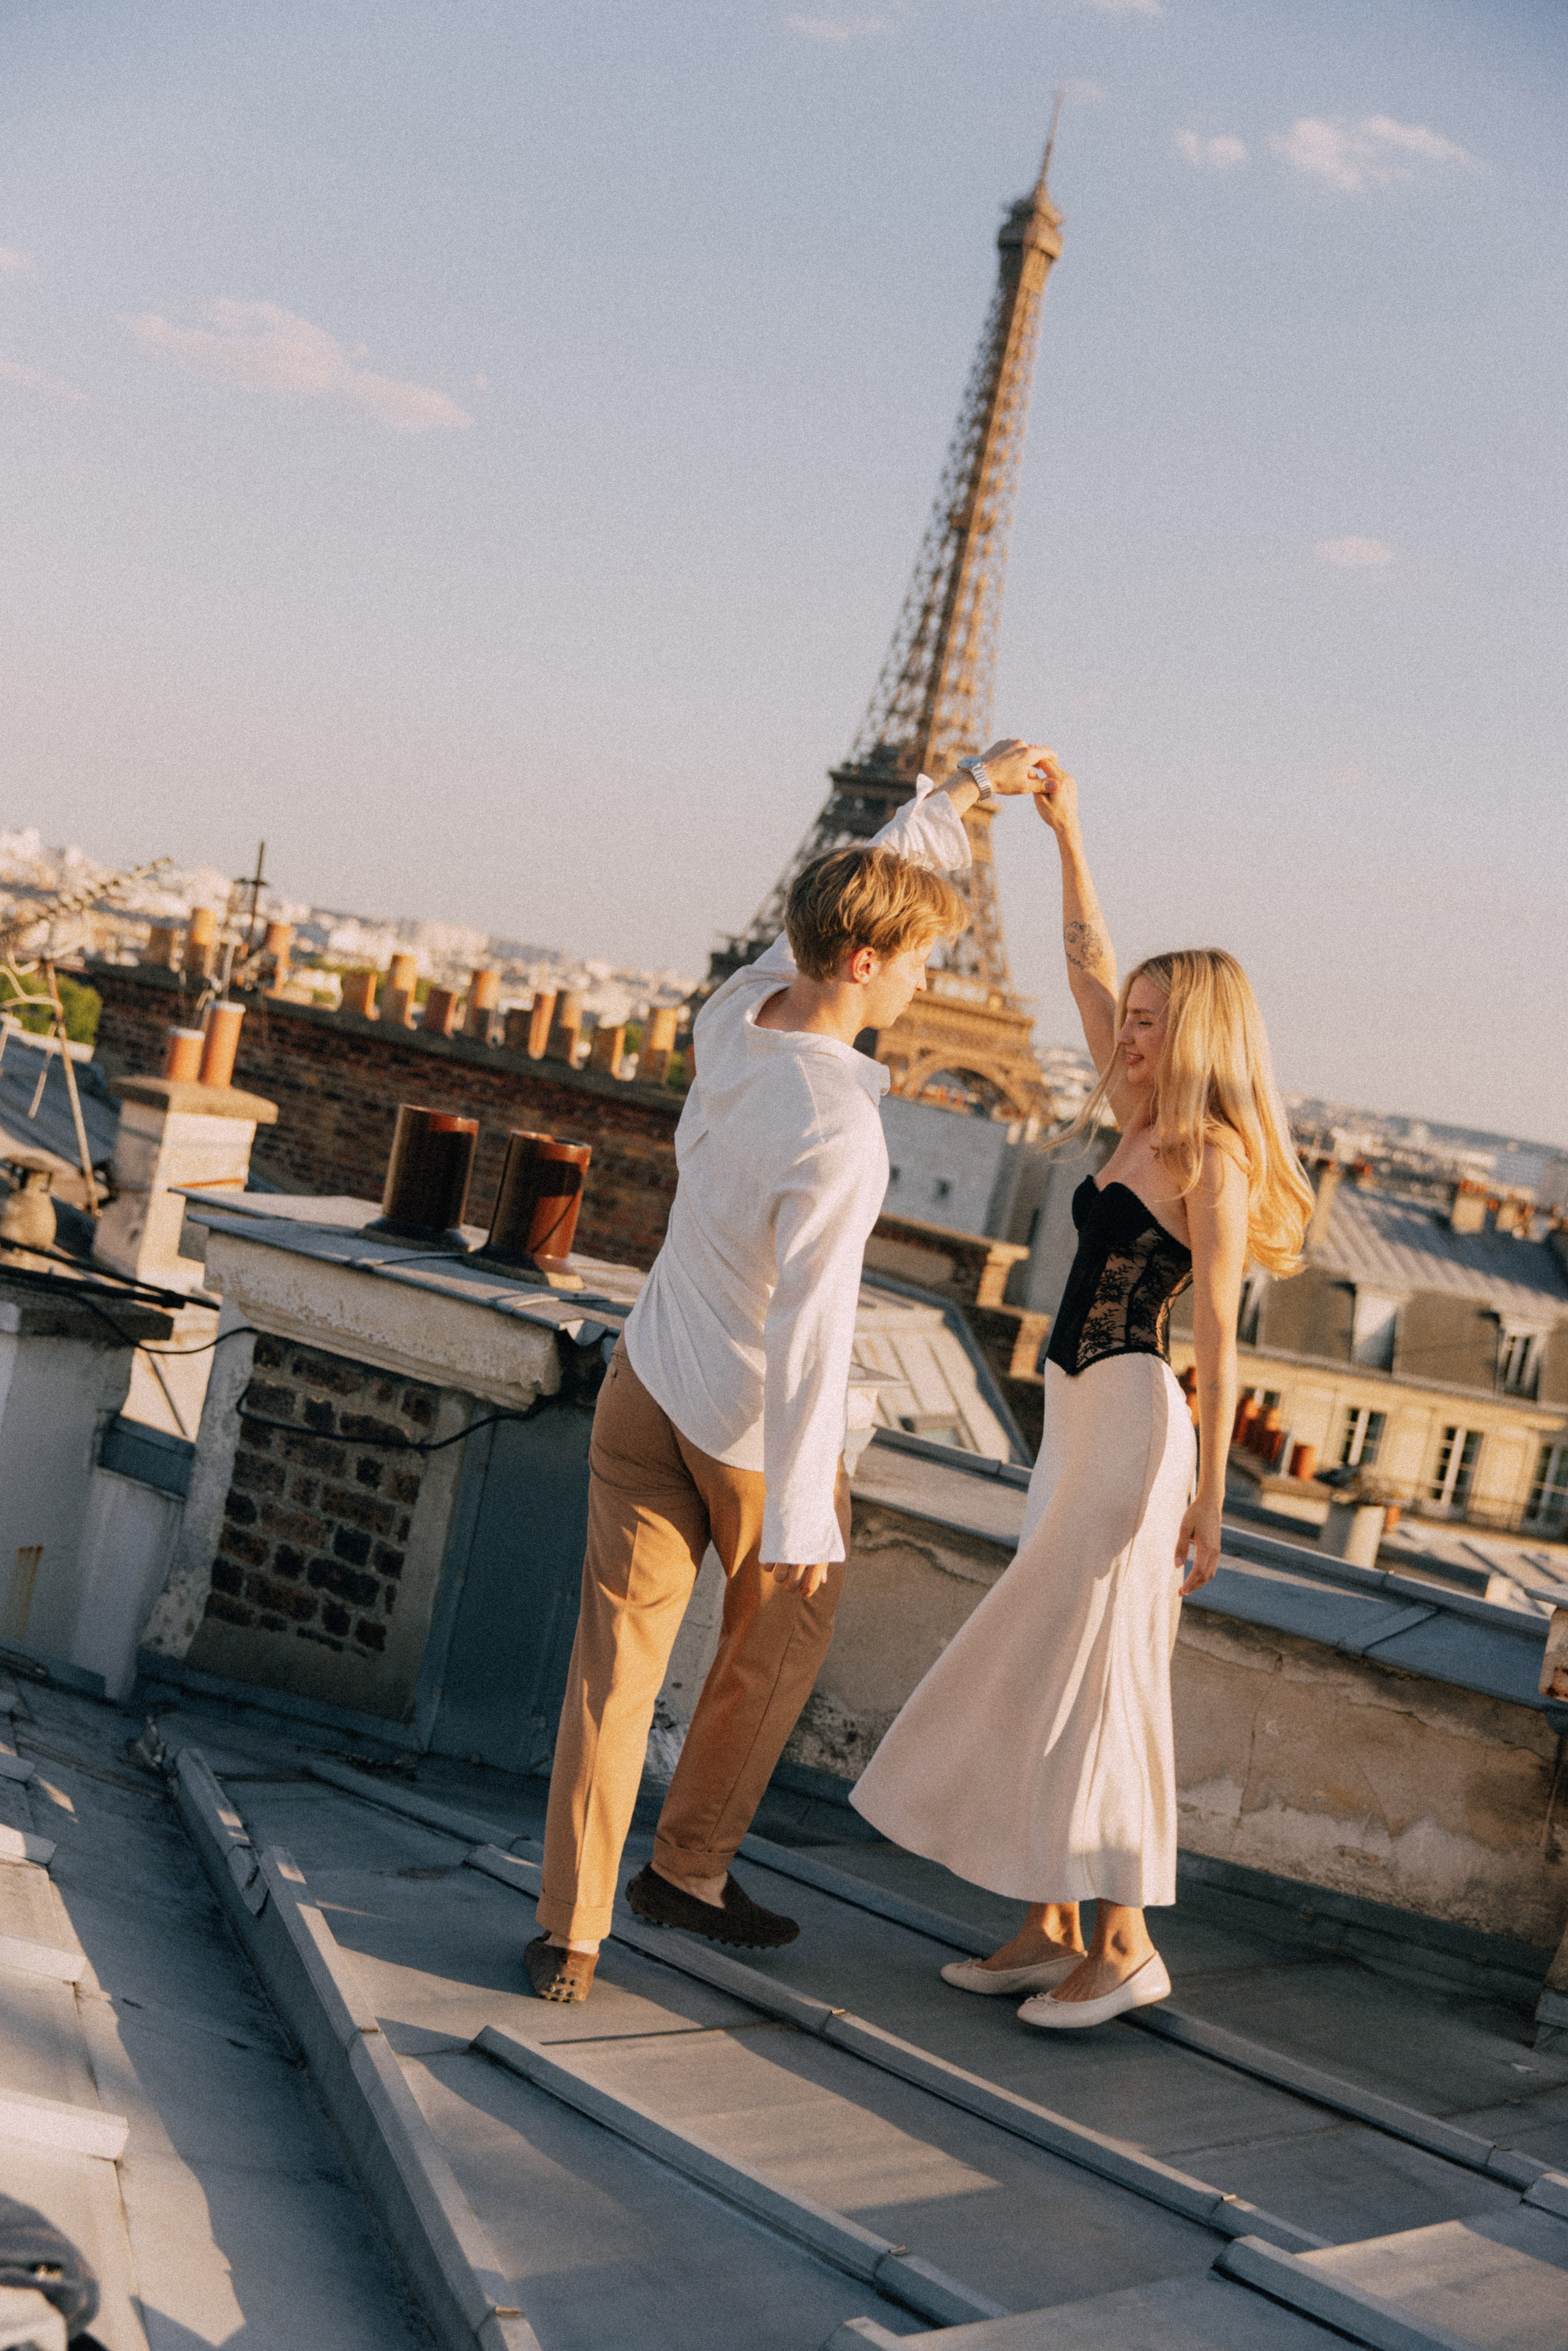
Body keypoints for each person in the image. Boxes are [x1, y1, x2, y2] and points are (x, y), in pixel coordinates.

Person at [527, 739, 1056, 2002]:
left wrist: (960, 792)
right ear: (866, 962)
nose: (925, 980)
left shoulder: (739, 1013)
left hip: (643, 1379)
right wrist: (810, 1513)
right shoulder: (844, 1134)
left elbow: (851, 894)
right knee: (779, 1633)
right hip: (745, 1425)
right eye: (916, 959)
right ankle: (691, 1868)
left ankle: (570, 1931)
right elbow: (813, 1336)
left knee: (614, 1668)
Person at [850, 753, 1312, 2028]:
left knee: (1098, 1665)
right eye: (1136, 1010)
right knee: (1049, 1650)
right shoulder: (1130, 1101)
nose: (1132, 1024)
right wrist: (1063, 827)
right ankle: (1049, 1919)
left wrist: (1211, 1505)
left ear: (1202, 1030)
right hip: (1073, 1418)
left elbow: (1214, 1334)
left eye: (1156, 1015)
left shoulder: (1205, 1154)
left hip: (1132, 1432)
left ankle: (1122, 1939)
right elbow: (1077, 953)